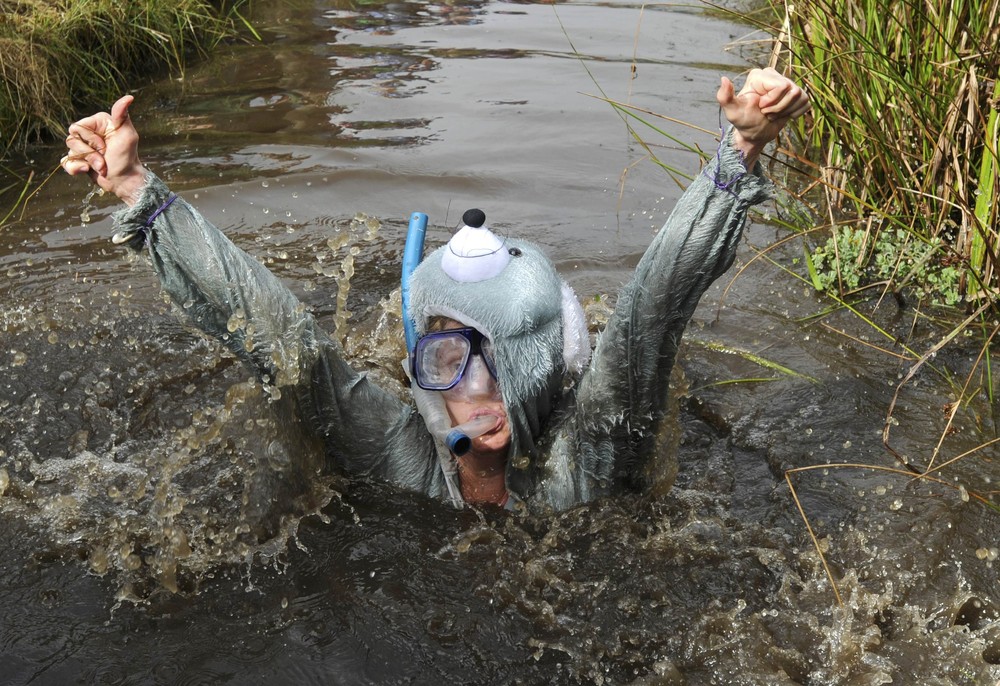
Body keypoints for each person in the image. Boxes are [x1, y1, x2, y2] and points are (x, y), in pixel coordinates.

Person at [61, 68, 810, 512]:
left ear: (546, 363)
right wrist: (138, 192)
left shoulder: (590, 457)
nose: (475, 389)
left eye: (494, 357)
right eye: (448, 359)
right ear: (421, 372)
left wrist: (741, 148)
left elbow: (654, 309)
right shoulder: (397, 456)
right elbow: (273, 331)